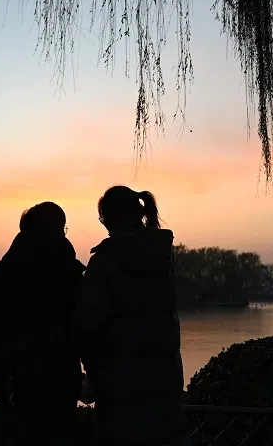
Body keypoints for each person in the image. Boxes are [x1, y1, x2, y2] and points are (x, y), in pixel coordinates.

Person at [75, 186, 189, 446]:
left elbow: (88, 327)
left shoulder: (103, 262)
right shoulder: (163, 257)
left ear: (109, 218)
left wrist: (91, 377)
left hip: (119, 387)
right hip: (166, 382)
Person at [0, 202, 86, 446]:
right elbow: (87, 326)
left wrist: (2, 354)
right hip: (61, 380)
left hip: (17, 381)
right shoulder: (71, 273)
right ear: (60, 230)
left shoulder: (7, 271)